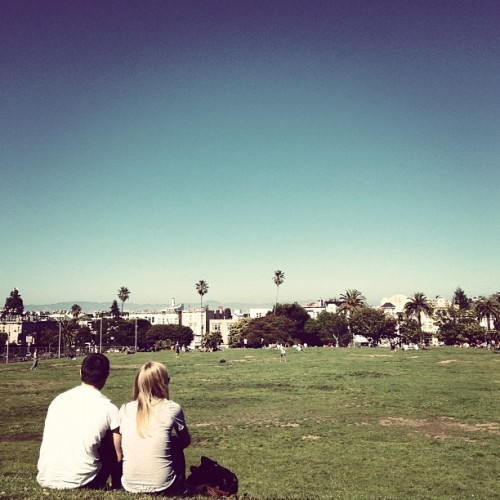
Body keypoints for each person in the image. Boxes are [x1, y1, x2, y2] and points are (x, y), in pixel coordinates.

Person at [37, 353, 121, 490]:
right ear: (106, 376)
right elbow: (117, 454)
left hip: (47, 477)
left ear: (80, 372)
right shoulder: (109, 408)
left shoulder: (58, 400)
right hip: (84, 481)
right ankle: (117, 485)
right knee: (112, 438)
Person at [115, 361, 191, 495]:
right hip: (164, 487)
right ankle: (181, 487)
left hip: (129, 486)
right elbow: (185, 441)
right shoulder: (172, 408)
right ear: (162, 383)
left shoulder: (125, 409)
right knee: (175, 442)